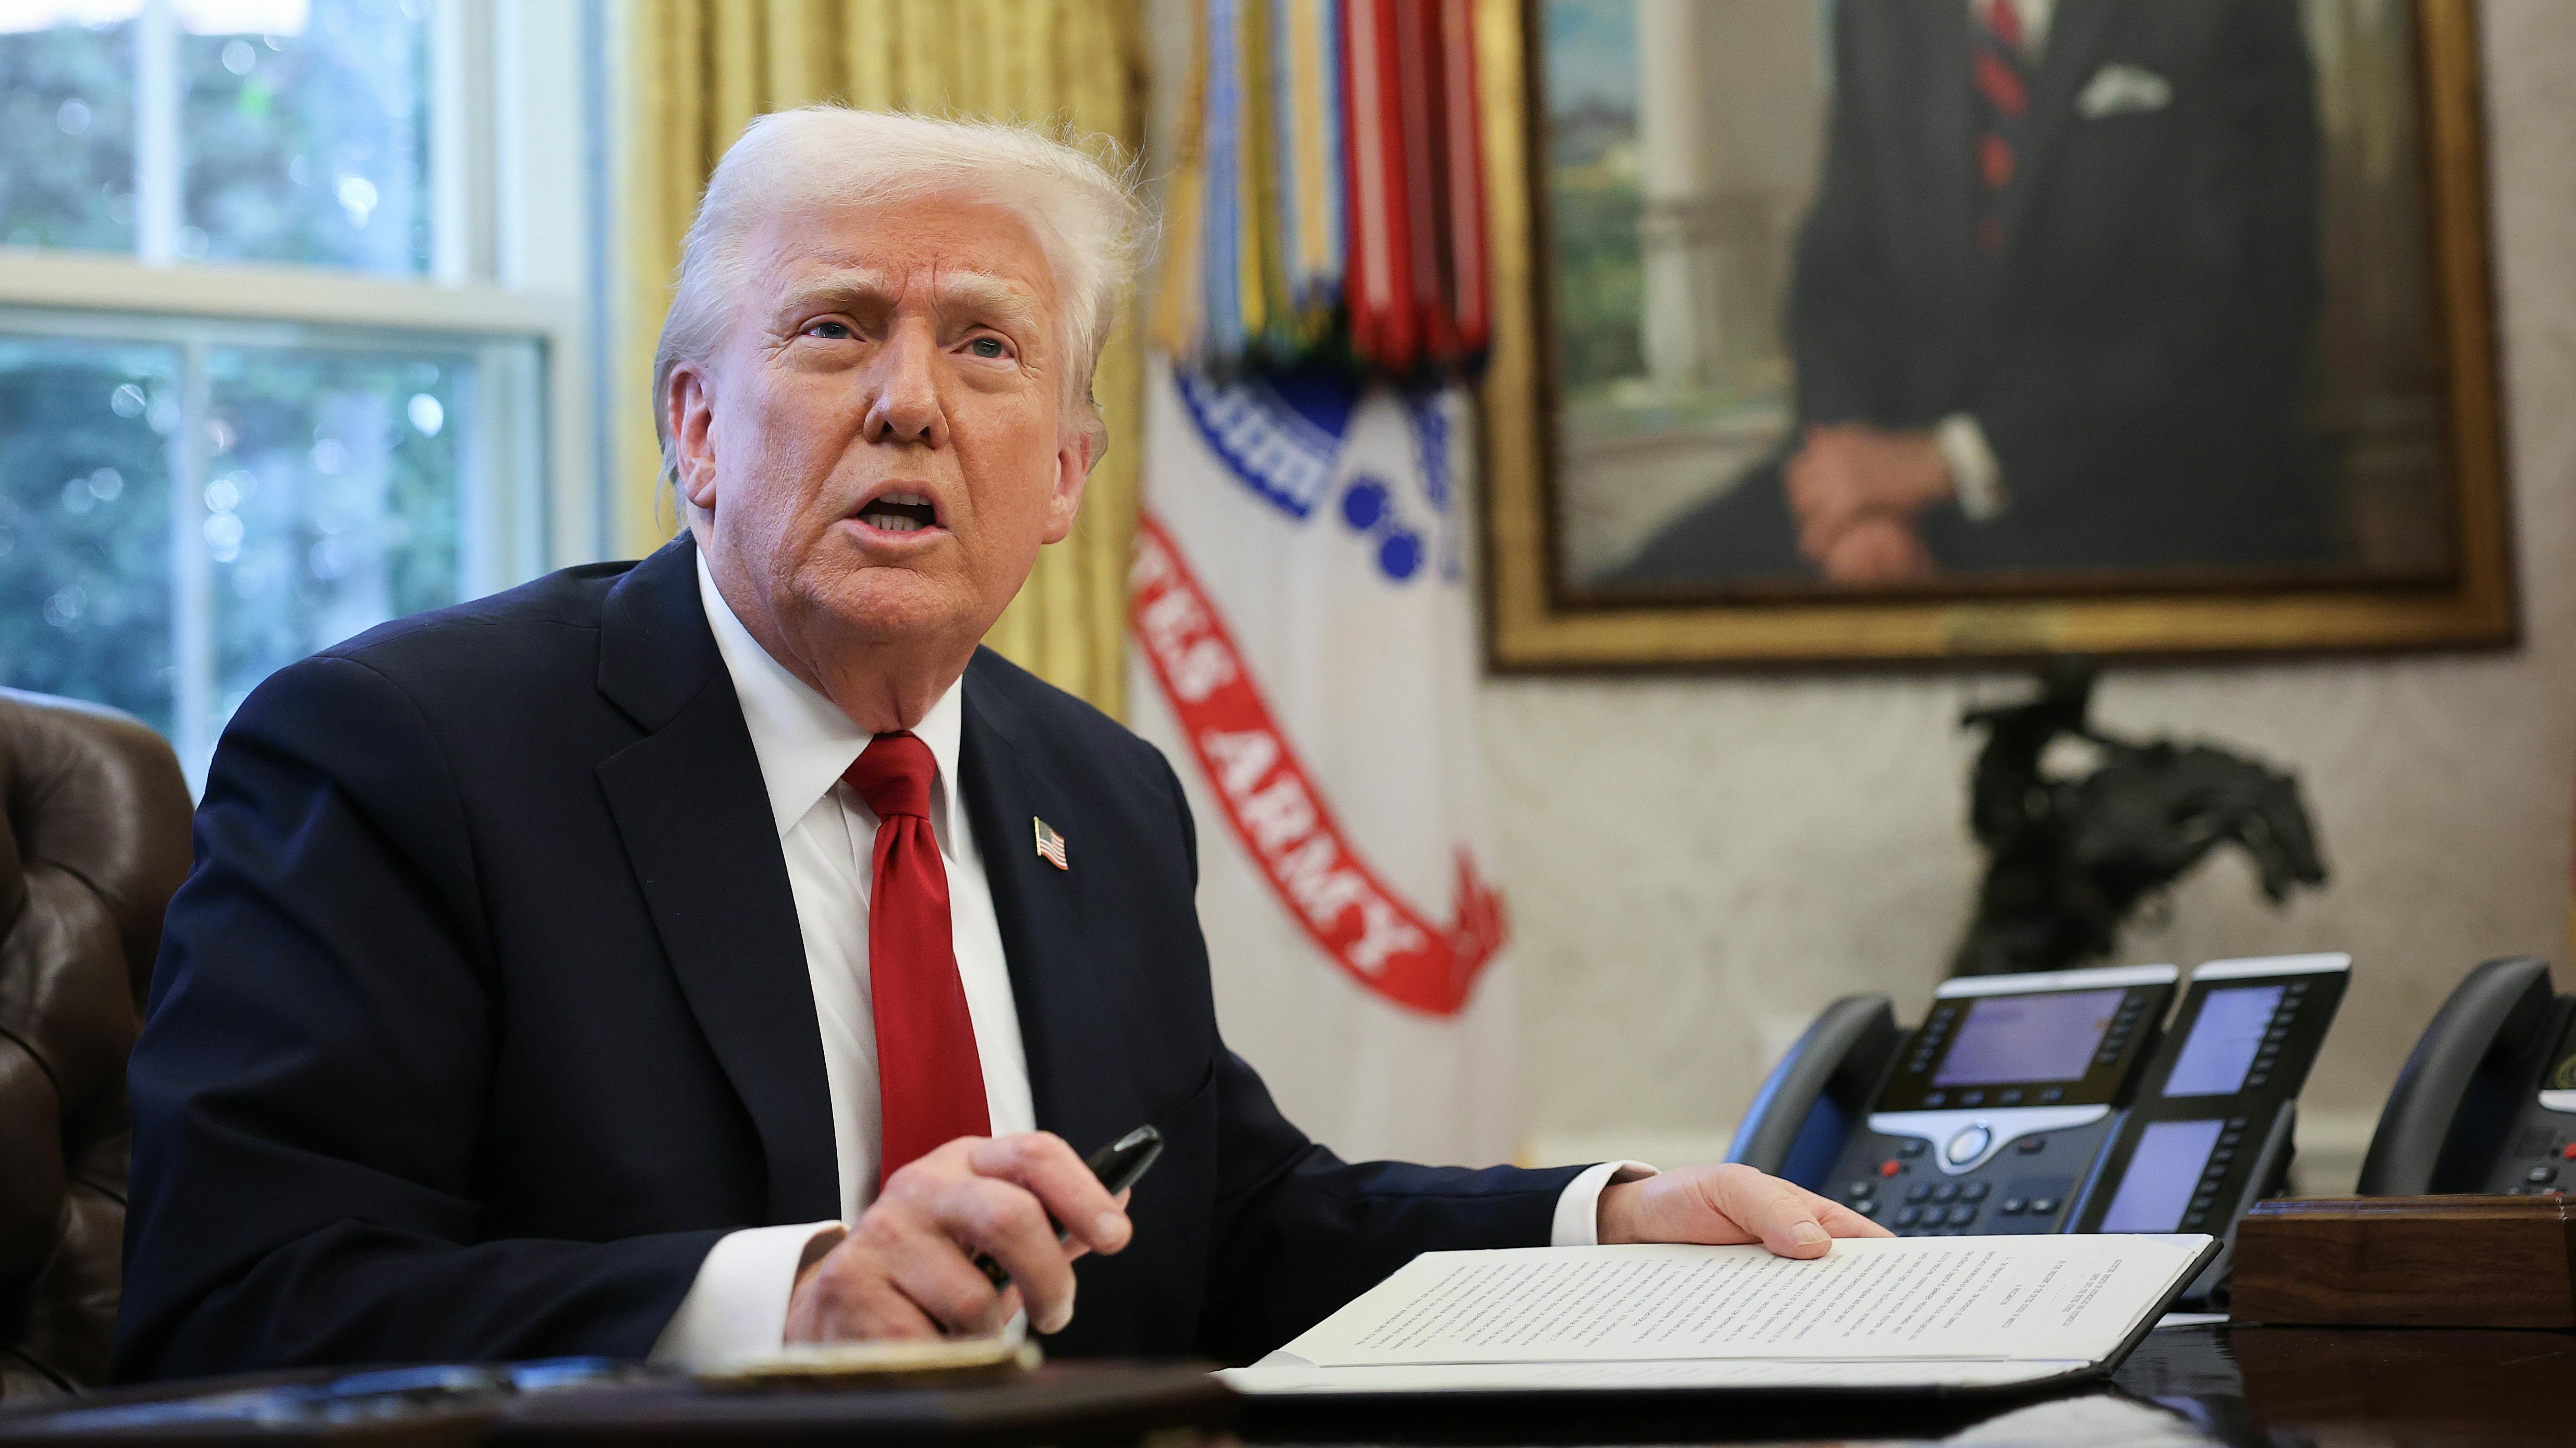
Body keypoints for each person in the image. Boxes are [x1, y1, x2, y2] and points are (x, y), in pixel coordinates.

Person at [116, 107, 1880, 1378]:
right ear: (695, 428)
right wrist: (784, 1299)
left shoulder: (1098, 794)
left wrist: (1602, 1222)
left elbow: (1235, 1226)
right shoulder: (403, 754)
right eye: (833, 329)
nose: (909, 399)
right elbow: (239, 1305)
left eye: (984, 345)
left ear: (1060, 480)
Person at [1620, 0, 2325, 585]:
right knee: (1640, 594)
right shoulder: (1878, 0)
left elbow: (2244, 317)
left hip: (2124, 501)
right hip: (1890, 496)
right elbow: (1835, 282)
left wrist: (1951, 463)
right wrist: (1855, 501)